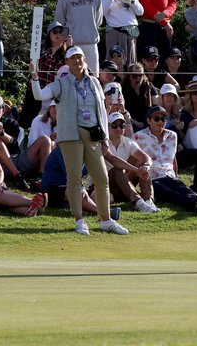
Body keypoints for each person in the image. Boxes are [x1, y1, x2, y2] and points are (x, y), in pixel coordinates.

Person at [28, 46, 128, 235]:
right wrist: (34, 78)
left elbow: (101, 112)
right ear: (67, 62)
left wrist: (105, 136)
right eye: (72, 58)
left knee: (101, 177)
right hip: (71, 135)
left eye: (79, 57)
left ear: (84, 59)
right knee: (74, 178)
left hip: (93, 135)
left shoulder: (95, 83)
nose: (77, 61)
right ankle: (79, 220)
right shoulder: (61, 83)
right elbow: (39, 95)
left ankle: (106, 220)